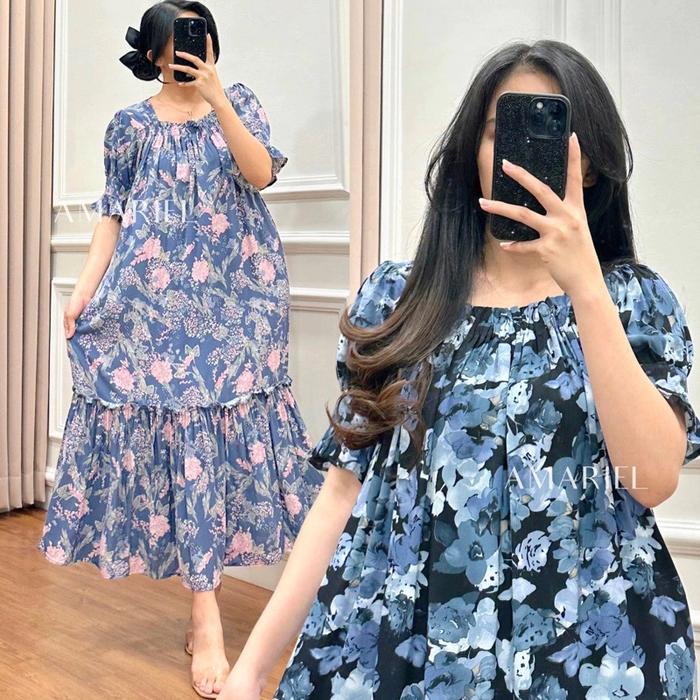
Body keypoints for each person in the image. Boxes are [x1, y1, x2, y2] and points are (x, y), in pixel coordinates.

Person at [220, 39, 700, 699]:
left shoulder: (632, 302)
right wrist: (250, 669)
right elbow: (341, 493)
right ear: (473, 151)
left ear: (589, 166)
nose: (520, 155)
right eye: (500, 132)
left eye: (551, 134)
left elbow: (653, 478)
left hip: (588, 647)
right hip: (409, 639)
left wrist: (586, 287)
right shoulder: (398, 298)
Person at [36, 1, 323, 697]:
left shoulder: (238, 102)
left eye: (199, 36)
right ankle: (206, 612)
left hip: (238, 301)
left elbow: (261, 174)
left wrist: (218, 98)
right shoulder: (128, 127)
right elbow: (112, 218)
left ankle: (226, 603)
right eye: (175, 40)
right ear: (154, 53)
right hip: (153, 307)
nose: (188, 50)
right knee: (184, 439)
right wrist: (81, 292)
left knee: (219, 443)